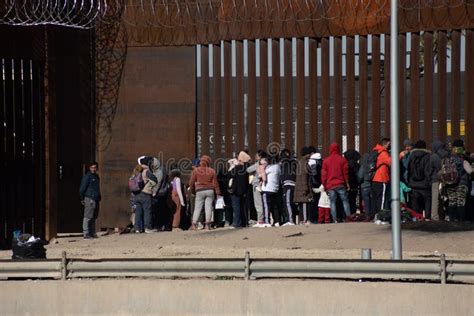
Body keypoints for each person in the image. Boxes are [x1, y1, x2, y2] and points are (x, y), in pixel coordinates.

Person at [442, 140, 473, 221]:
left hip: (450, 183)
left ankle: (452, 220)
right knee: (460, 202)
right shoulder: (463, 160)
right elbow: (470, 171)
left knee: (452, 201)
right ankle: (461, 220)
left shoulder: (448, 159)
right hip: (461, 184)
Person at [189, 155, 221, 230]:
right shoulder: (212, 171)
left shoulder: (196, 170)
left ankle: (194, 224)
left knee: (197, 208)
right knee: (208, 207)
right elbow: (215, 183)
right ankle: (207, 225)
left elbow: (191, 182)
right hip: (210, 190)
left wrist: (193, 191)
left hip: (199, 190)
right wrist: (218, 192)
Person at [321, 143, 351, 222]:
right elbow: (346, 173)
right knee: (345, 201)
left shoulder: (326, 160)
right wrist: (347, 183)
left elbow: (324, 175)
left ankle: (334, 219)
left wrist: (324, 185)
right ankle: (348, 217)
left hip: (330, 185)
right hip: (340, 184)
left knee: (332, 202)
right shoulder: (342, 160)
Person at [407, 140, 432, 219]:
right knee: (427, 201)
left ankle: (416, 218)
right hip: (425, 184)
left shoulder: (411, 155)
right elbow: (427, 170)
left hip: (413, 183)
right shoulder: (428, 156)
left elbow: (408, 169)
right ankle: (427, 217)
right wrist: (429, 181)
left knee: (415, 202)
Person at [228, 151, 251, 228]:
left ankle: (236, 223)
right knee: (243, 207)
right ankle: (244, 222)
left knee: (236, 207)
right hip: (244, 190)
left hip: (236, 190)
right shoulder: (247, 169)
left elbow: (229, 174)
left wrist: (232, 166)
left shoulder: (237, 168)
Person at [134, 160, 158, 233]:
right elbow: (155, 179)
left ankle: (137, 228)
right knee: (147, 211)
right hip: (145, 194)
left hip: (137, 194)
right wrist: (150, 186)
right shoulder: (146, 171)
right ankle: (147, 228)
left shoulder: (136, 170)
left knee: (138, 212)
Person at [79, 162, 101, 239]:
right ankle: (86, 233)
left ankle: (92, 232)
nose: (94, 169)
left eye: (95, 167)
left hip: (95, 198)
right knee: (87, 216)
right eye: (92, 167)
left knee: (93, 217)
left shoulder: (96, 176)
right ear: (89, 168)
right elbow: (82, 189)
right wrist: (82, 198)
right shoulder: (87, 177)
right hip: (89, 198)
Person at [429, 141, 449, 221]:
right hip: (446, 180)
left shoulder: (433, 156)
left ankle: (435, 216)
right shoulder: (448, 155)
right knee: (444, 198)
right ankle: (444, 215)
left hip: (436, 180)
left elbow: (430, 169)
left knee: (435, 199)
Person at [371, 138, 392, 214]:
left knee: (375, 199)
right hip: (381, 178)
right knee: (381, 199)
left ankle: (374, 215)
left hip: (374, 178)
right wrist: (400, 156)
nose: (390, 146)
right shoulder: (383, 153)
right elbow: (391, 162)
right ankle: (380, 216)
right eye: (389, 144)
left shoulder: (376, 151)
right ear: (385, 144)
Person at [260, 154, 281, 227]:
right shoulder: (278, 167)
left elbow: (262, 175)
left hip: (267, 189)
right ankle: (277, 221)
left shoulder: (270, 167)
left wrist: (263, 167)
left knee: (266, 206)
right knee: (275, 206)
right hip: (275, 189)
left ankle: (266, 221)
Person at [294, 146, 313, 224]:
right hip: (303, 188)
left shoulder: (300, 162)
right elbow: (304, 176)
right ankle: (304, 220)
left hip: (300, 187)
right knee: (304, 204)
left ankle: (302, 220)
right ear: (307, 154)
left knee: (302, 205)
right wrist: (305, 188)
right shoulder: (304, 163)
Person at [280, 149, 298, 226]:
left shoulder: (284, 164)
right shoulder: (295, 162)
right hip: (294, 184)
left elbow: (282, 175)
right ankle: (292, 219)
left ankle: (290, 220)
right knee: (292, 203)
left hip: (288, 184)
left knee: (287, 202)